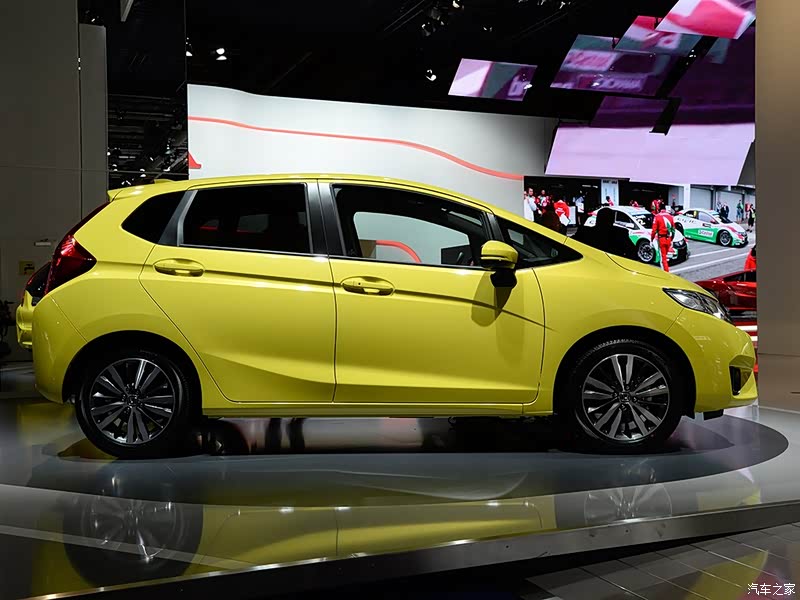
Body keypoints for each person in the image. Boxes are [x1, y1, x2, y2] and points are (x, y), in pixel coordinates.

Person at [651, 200, 676, 272]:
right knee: (665, 257)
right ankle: (666, 270)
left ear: (659, 209)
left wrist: (651, 239)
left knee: (663, 258)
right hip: (668, 239)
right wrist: (671, 239)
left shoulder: (657, 217)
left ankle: (666, 273)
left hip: (661, 239)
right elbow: (673, 230)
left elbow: (654, 231)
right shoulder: (671, 217)